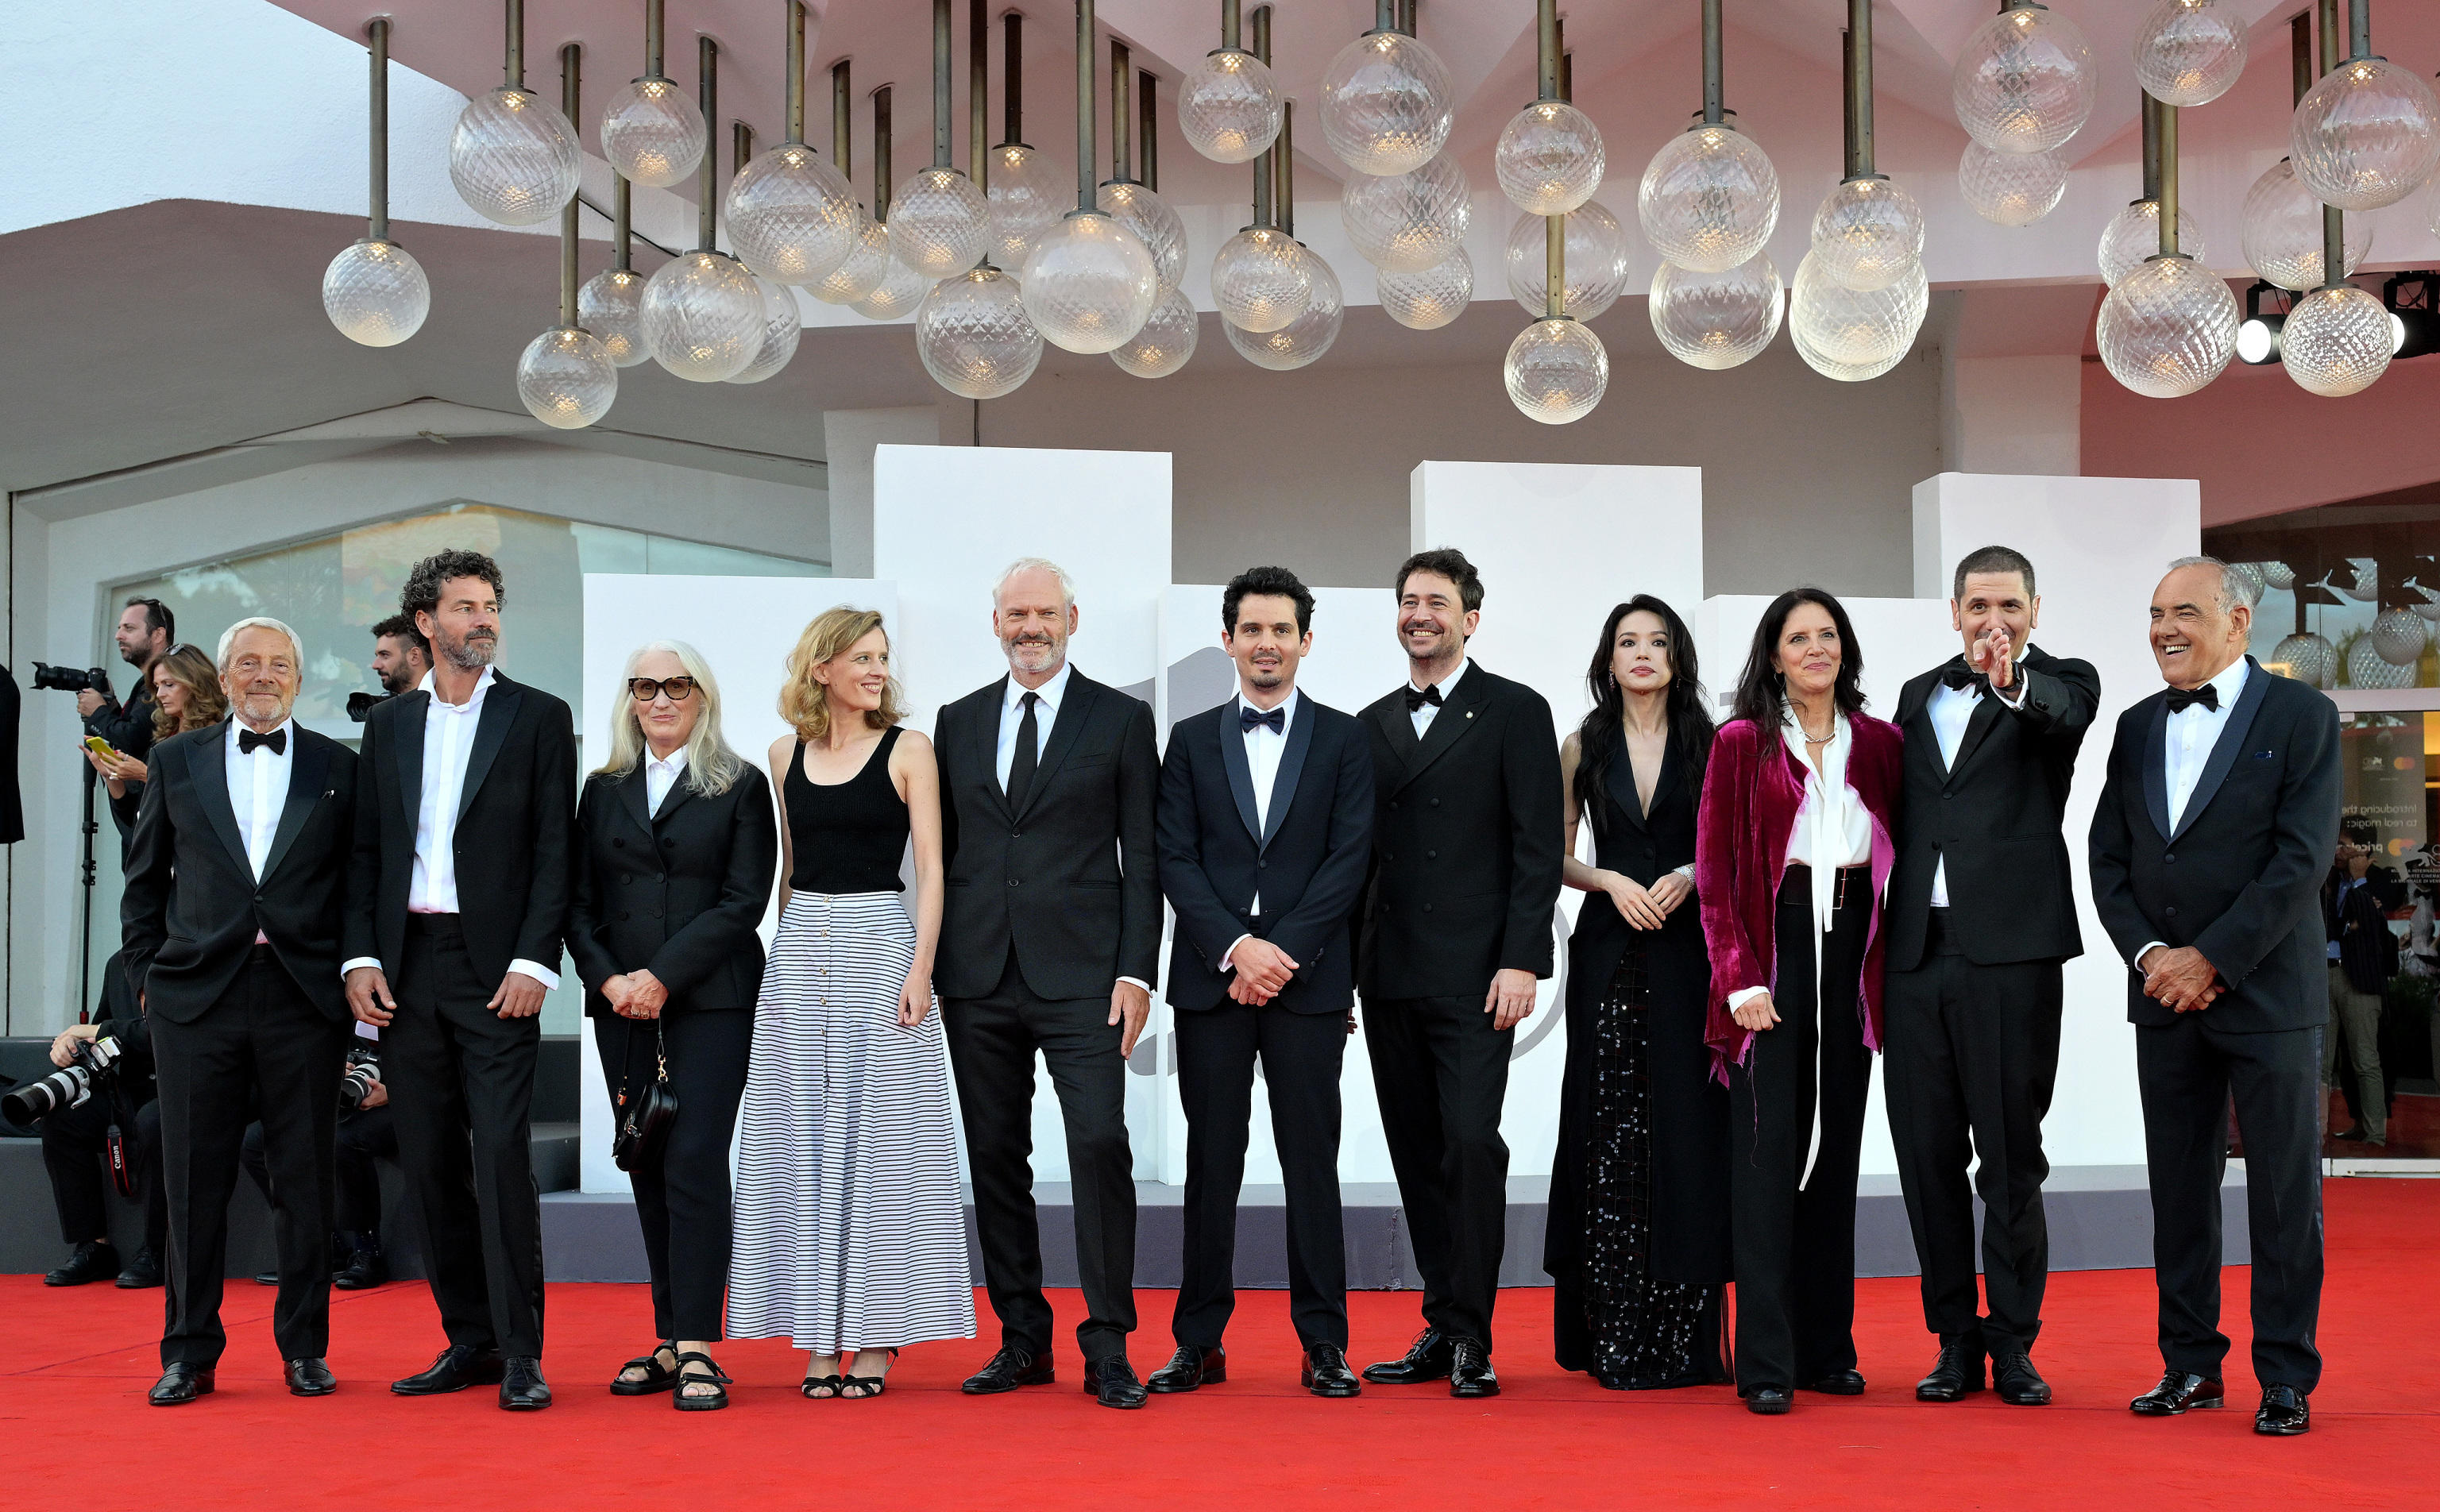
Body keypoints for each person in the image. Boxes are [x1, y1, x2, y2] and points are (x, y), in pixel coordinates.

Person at [2090, 557, 2340, 1437]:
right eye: (2156, 611)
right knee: (2179, 1192)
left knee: (2281, 1194)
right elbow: (2108, 860)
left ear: (2239, 621)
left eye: (2185, 612)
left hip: (2268, 994)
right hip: (2164, 995)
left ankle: (2285, 1375)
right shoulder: (2132, 725)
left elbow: (2300, 860)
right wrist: (2156, 955)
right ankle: (2190, 1364)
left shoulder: (2304, 714)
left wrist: (2214, 959)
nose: (2165, 627)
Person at [344, 549, 576, 1412]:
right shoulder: (391, 724)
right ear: (425, 623)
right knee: (432, 1161)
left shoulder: (538, 716)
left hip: (497, 973)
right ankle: (469, 1339)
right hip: (405, 968)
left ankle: (523, 1350)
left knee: (500, 1157)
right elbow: (368, 849)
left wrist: (533, 959)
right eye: (465, 606)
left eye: (491, 605)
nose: (483, 618)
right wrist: (360, 957)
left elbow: (559, 848)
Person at [933, 559, 1160, 1410]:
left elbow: (1145, 857)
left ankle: (1108, 1341)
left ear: (1073, 618)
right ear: (996, 622)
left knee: (1100, 1143)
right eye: (1016, 613)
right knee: (995, 1158)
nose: (1031, 626)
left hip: (1087, 977)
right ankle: (1022, 1336)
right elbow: (939, 855)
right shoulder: (956, 722)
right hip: (979, 975)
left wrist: (1139, 970)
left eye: (1045, 613)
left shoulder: (1122, 718)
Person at [119, 617, 362, 1405]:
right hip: (197, 998)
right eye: (247, 663)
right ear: (221, 678)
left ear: (299, 678)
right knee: (192, 1180)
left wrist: (353, 975)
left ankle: (304, 1348)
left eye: (279, 664)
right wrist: (149, 977)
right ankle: (189, 1351)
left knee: (304, 1179)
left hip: (303, 996)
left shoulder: (337, 765)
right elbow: (144, 882)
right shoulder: (174, 759)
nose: (263, 674)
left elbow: (360, 882)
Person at [728, 610, 968, 1400]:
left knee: (881, 1147)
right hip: (800, 950)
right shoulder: (781, 754)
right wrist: (779, 960)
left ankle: (875, 1337)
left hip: (882, 943)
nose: (877, 669)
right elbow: (789, 872)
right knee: (804, 1143)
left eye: (883, 657)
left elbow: (931, 869)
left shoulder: (911, 749)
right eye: (861, 656)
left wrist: (922, 966)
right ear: (822, 667)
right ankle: (818, 1336)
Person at [1882, 547, 2099, 1408]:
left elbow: (2058, 718)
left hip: (2011, 955)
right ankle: (1953, 1340)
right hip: (1913, 956)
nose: (1992, 618)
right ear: (1954, 609)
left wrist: (2012, 682)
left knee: (2010, 1157)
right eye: (1978, 604)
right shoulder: (1914, 694)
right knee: (1925, 1156)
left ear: (2034, 609)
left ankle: (2014, 1341)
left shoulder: (2061, 683)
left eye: (2008, 603)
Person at [1151, 567, 1375, 1399]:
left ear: (1306, 640)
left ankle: (1324, 1342)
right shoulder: (1190, 737)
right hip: (1213, 983)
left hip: (1308, 984)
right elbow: (1174, 855)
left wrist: (1279, 954)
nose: (1267, 642)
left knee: (1311, 1160)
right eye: (1252, 628)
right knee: (1213, 1162)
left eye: (1282, 628)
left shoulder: (1346, 739)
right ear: (1228, 639)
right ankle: (1198, 1341)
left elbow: (1349, 859)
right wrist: (1237, 948)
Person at [1357, 547, 1565, 1399]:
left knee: (1472, 1144)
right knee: (1416, 1150)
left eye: (1437, 601)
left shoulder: (1516, 710)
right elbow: (1352, 859)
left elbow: (1536, 846)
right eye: (1409, 600)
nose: (1421, 614)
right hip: (1388, 971)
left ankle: (1473, 1334)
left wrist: (1523, 956)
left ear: (1470, 617)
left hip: (1480, 974)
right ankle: (1442, 1323)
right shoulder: (1367, 722)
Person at [1695, 588, 1901, 1416]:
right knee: (1767, 1157)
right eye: (1797, 637)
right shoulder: (1742, 742)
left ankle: (1829, 1348)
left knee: (1839, 1153)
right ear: (1773, 654)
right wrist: (1739, 977)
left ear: (1844, 648)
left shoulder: (1882, 742)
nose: (1815, 648)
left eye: (1827, 634)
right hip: (1770, 957)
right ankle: (1767, 1360)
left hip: (1854, 952)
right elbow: (1714, 871)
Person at [571, 642, 777, 1410]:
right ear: (630, 698)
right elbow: (577, 904)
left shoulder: (740, 784)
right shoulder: (601, 790)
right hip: (621, 1002)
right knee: (646, 1159)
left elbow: (743, 898)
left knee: (692, 1155)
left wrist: (662, 975)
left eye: (676, 684)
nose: (661, 698)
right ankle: (667, 1334)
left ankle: (698, 1343)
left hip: (709, 998)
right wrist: (612, 979)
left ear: (702, 693)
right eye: (646, 686)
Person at [1545, 596, 1730, 1390]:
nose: (1643, 652)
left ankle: (1687, 1341)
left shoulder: (1718, 742)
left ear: (1678, 655)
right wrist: (1612, 878)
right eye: (1628, 641)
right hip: (1611, 948)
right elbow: (1554, 856)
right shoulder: (1579, 744)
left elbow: (1735, 842)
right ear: (1609, 658)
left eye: (1658, 640)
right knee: (1610, 1126)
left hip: (1694, 951)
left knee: (1690, 1128)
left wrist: (1692, 871)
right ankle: (1614, 1330)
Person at [37, 957, 166, 1290]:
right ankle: (94, 1245)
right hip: (125, 1091)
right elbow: (98, 1034)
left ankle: (159, 1250)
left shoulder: (194, 953)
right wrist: (71, 1047)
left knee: (155, 1123)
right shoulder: (119, 964)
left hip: (181, 1089)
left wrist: (96, 1031)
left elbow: (168, 1033)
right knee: (63, 1119)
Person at [241, 1043, 396, 1290]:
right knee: (255, 1143)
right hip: (334, 1096)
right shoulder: (332, 1006)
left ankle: (368, 1251)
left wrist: (393, 1089)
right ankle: (321, 1245)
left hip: (400, 1094)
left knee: (343, 1139)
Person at [79, 595, 175, 850]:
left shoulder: (163, 680)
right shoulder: (149, 681)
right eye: (119, 628)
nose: (118, 636)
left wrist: (98, 713)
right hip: (140, 815)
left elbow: (132, 738)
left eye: (129, 628)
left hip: (155, 825)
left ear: (158, 635)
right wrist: (111, 708)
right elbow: (143, 731)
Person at [84, 643, 229, 808]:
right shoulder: (164, 734)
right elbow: (135, 817)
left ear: (196, 685)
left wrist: (145, 774)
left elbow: (200, 808)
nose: (159, 694)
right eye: (157, 686)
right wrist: (110, 775)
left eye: (169, 684)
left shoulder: (216, 740)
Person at [2323, 818, 2391, 1148]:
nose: (2338, 851)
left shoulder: (2379, 879)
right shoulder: (2330, 880)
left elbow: (2370, 926)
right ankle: (2317, 1131)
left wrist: (2361, 880)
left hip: (2360, 982)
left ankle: (2375, 1132)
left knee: (2365, 1059)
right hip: (2327, 973)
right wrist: (2348, 926)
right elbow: (2338, 927)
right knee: (2322, 1061)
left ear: (2363, 849)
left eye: (2344, 845)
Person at [371, 615, 432, 696]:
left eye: (385, 655)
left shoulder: (447, 705)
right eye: (377, 656)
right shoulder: (384, 707)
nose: (375, 665)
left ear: (415, 656)